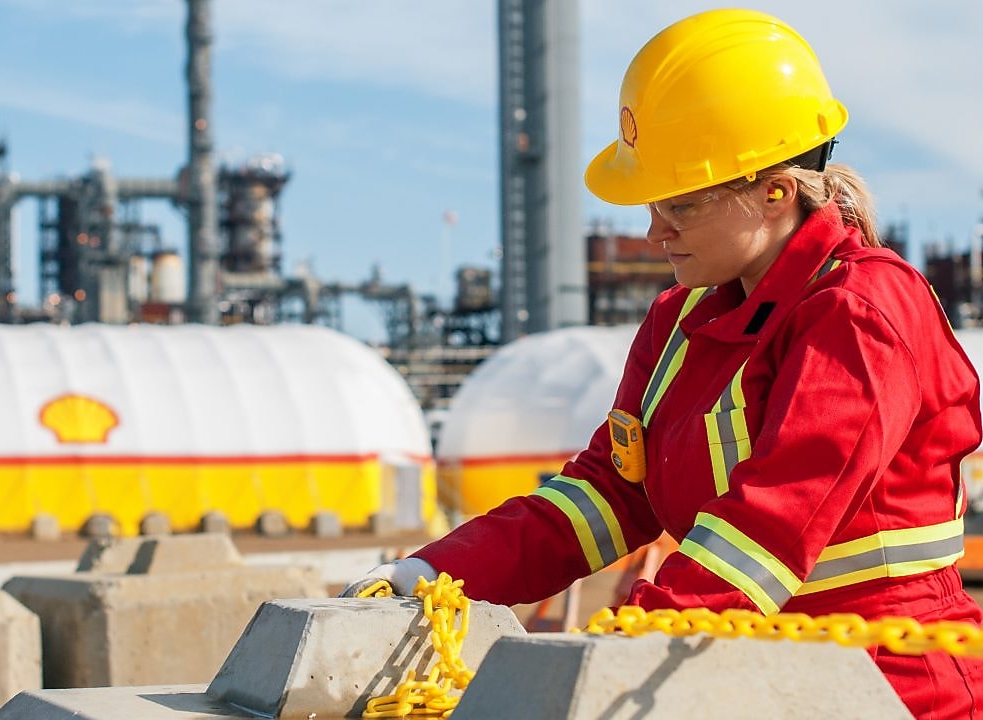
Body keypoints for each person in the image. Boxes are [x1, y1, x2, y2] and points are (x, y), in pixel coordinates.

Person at [343, 8, 983, 716]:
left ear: (774, 193)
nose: (653, 232)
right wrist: (428, 574)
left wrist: (626, 643)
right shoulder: (679, 321)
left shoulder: (860, 310)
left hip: (889, 684)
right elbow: (607, 497)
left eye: (681, 205)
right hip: (739, 672)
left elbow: (773, 521)